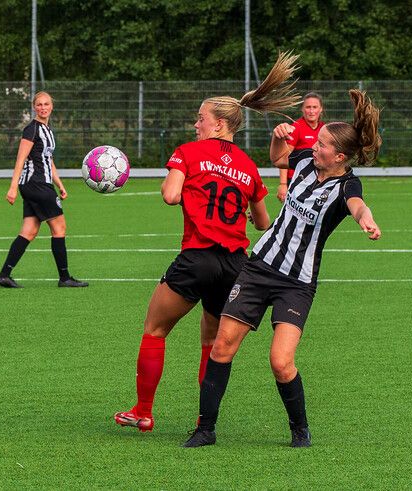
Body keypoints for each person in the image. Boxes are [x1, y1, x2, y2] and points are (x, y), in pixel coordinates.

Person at [113, 52, 302, 433]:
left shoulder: (188, 152)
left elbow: (169, 196)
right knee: (211, 343)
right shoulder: (248, 166)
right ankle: (204, 419)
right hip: (235, 266)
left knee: (155, 329)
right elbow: (263, 221)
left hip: (197, 256)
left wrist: (190, 190)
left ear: (218, 124)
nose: (195, 124)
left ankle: (144, 410)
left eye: (200, 118)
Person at [184, 89, 382, 448]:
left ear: (339, 156)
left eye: (322, 144)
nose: (314, 145)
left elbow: (357, 204)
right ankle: (205, 429)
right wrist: (277, 139)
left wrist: (366, 220)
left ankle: (299, 428)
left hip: (297, 283)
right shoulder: (307, 160)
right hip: (258, 268)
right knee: (222, 347)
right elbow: (279, 159)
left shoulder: (346, 183)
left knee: (281, 362)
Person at [0, 91, 88, 288]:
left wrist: (60, 184)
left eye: (46, 104)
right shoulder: (32, 130)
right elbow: (20, 159)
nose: (43, 107)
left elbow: (48, 160)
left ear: (51, 107)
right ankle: (64, 278)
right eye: (39, 104)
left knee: (29, 231)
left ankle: (4, 274)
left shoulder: (48, 130)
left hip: (38, 184)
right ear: (34, 107)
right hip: (36, 185)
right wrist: (12, 188)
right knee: (59, 227)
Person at [271, 92, 324, 202]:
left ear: (321, 109)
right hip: (297, 179)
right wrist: (283, 184)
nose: (311, 111)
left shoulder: (324, 129)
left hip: (317, 180)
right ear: (302, 109)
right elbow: (283, 157)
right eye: (308, 107)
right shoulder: (296, 128)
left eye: (315, 107)